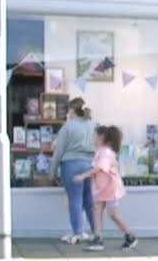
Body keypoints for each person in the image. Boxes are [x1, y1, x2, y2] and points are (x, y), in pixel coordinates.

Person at [71, 124, 137, 252]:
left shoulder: (105, 152)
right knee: (97, 211)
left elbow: (100, 168)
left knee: (113, 214)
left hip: (110, 188)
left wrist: (83, 176)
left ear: (101, 137)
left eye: (94, 135)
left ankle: (130, 236)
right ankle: (98, 239)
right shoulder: (100, 151)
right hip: (102, 188)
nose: (93, 138)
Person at [50, 97, 96, 244]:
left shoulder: (68, 127)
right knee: (89, 201)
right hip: (89, 165)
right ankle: (97, 232)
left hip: (71, 165)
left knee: (75, 200)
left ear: (71, 110)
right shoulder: (93, 126)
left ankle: (77, 233)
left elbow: (59, 151)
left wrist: (52, 171)